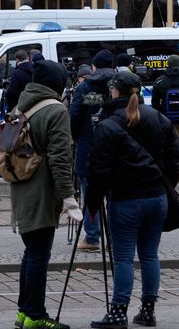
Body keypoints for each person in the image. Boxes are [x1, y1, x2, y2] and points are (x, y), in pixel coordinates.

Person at [86, 71, 179, 329]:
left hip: (126, 200)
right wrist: (165, 186)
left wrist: (93, 204)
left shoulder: (108, 125)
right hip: (157, 196)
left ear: (115, 92)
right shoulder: (159, 119)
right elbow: (175, 160)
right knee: (150, 255)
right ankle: (148, 311)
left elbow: (98, 169)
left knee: (124, 258)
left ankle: (118, 312)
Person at [10, 59, 81, 329]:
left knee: (31, 253)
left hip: (22, 185)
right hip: (42, 190)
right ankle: (36, 316)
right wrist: (69, 197)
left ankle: (24, 312)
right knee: (39, 255)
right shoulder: (56, 110)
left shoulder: (23, 104)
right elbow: (60, 158)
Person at [69, 48, 116, 252]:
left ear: (94, 66)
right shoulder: (120, 84)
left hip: (89, 148)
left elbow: (75, 117)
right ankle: (115, 239)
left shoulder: (85, 87)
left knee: (90, 196)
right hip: (117, 150)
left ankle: (92, 238)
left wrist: (76, 137)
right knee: (115, 196)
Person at [151, 54, 179, 181]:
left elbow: (155, 102)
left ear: (167, 65)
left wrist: (161, 116)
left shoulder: (159, 81)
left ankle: (172, 168)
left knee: (170, 144)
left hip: (167, 120)